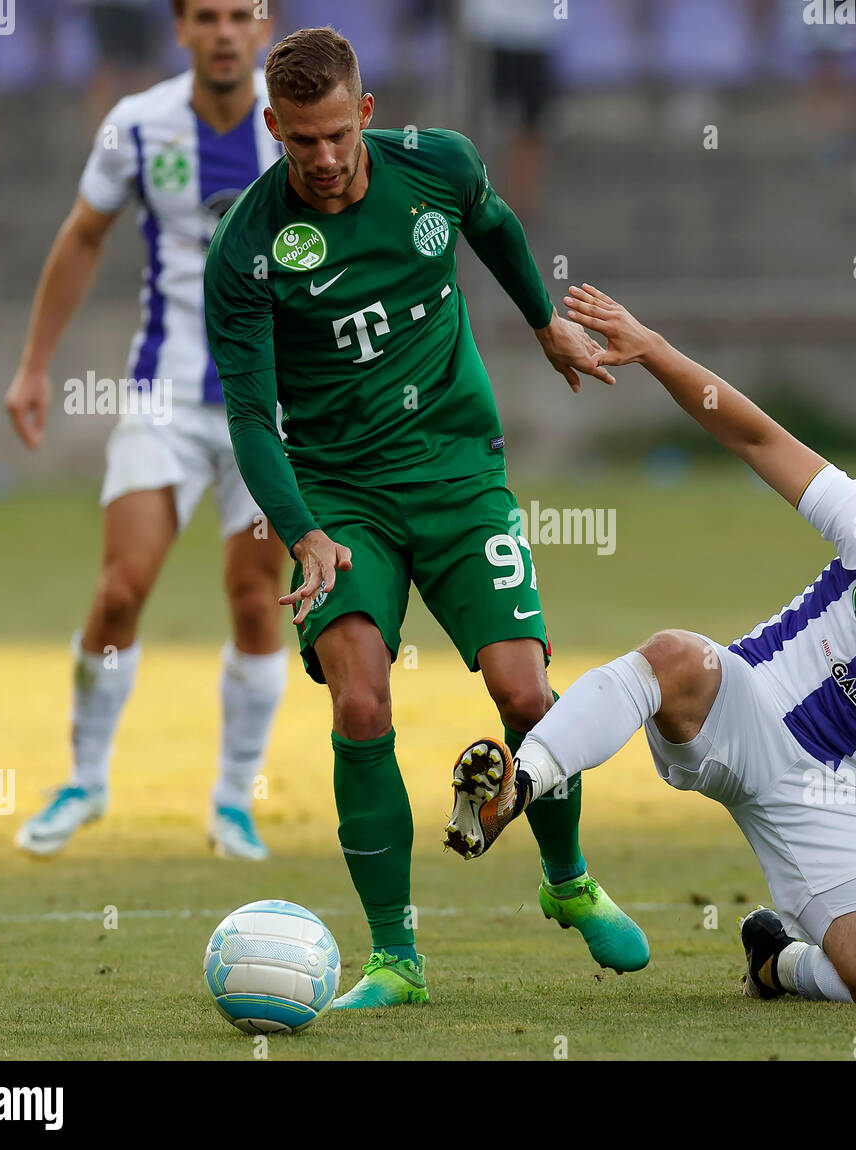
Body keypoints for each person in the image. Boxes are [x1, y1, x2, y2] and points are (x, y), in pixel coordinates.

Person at [445, 283, 856, 1006]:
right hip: (744, 709)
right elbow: (757, 437)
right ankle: (519, 783)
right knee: (677, 655)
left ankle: (774, 961)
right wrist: (654, 350)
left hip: (837, 795)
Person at [203, 27, 648, 1009]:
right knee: (360, 700)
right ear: (272, 128)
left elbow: (491, 223)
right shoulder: (247, 246)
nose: (320, 160)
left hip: (454, 469)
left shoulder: (435, 165)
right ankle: (395, 957)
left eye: (334, 136)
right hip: (337, 495)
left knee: (526, 696)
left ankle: (566, 880)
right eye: (298, 142)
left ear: (363, 115)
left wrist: (543, 321)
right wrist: (304, 530)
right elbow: (247, 413)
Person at [5, 0, 288, 861]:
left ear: (264, 22)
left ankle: (235, 797)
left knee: (254, 599)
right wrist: (33, 365)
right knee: (122, 590)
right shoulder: (135, 125)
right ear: (181, 29)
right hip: (163, 394)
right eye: (207, 16)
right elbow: (83, 235)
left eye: (241, 14)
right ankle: (86, 777)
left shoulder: (299, 126)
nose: (226, 32)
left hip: (273, 409)